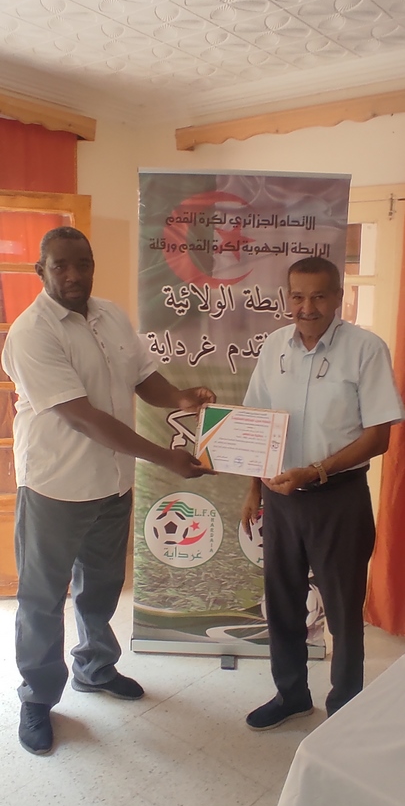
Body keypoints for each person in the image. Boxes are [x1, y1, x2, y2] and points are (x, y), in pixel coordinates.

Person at [1, 226, 216, 756]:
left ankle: (95, 669)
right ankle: (37, 697)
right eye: (61, 266)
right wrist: (166, 457)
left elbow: (143, 378)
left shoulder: (111, 315)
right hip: (56, 486)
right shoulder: (31, 333)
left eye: (83, 263)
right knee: (42, 598)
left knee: (100, 587)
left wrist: (181, 397)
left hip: (114, 483)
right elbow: (83, 417)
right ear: (42, 271)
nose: (74, 275)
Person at [241, 256, 404, 730]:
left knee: (342, 610)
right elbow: (257, 423)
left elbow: (379, 436)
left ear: (338, 297)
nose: (306, 307)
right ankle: (291, 694)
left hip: (339, 499)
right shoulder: (274, 346)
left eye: (318, 296)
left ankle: (344, 710)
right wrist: (253, 491)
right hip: (281, 499)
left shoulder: (365, 349)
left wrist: (315, 472)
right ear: (287, 298)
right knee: (283, 603)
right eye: (297, 296)